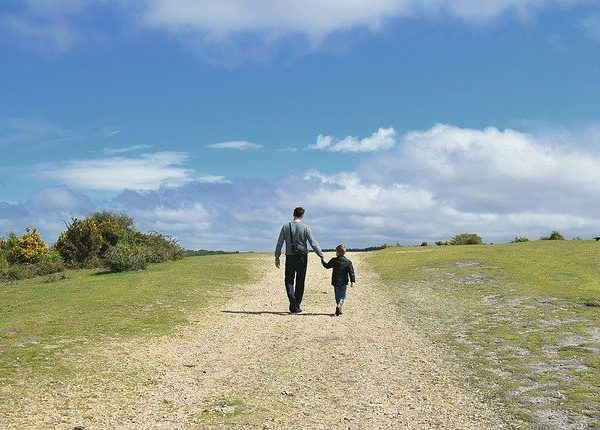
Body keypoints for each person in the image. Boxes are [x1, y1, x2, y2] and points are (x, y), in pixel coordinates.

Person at [275, 207, 324, 313]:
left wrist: (277, 256)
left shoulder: (285, 227)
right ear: (302, 216)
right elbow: (313, 242)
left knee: (289, 280)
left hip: (290, 256)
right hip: (302, 257)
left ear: (293, 214)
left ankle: (292, 300)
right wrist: (320, 254)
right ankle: (296, 304)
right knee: (300, 281)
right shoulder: (305, 227)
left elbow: (280, 242)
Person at [321, 244, 356, 316]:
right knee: (342, 295)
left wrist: (322, 259)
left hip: (335, 281)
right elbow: (351, 272)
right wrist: (352, 281)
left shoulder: (334, 260)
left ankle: (338, 306)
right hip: (344, 282)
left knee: (337, 295)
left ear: (337, 252)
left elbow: (327, 266)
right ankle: (340, 306)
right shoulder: (348, 262)